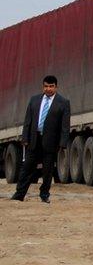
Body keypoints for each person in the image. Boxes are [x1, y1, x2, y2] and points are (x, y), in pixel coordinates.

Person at [11, 75, 71, 203]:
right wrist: (25, 138)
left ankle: (44, 194)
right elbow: (28, 121)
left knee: (47, 171)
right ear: (42, 87)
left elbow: (65, 126)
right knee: (27, 168)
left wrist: (63, 143)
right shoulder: (34, 100)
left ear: (56, 87)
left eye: (51, 86)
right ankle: (19, 194)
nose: (48, 89)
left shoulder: (63, 103)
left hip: (50, 142)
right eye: (46, 86)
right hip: (34, 140)